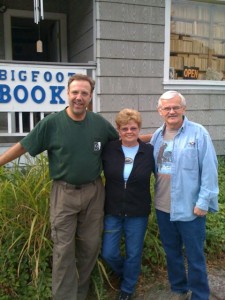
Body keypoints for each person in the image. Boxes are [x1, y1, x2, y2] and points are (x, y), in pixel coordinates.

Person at [0, 74, 120, 300]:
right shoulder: (52, 123)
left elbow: (124, 142)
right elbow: (23, 146)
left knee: (90, 247)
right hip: (64, 194)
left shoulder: (99, 124)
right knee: (64, 251)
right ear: (67, 93)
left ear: (90, 96)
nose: (79, 97)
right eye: (75, 92)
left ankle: (81, 293)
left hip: (94, 193)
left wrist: (156, 138)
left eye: (84, 93)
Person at [150, 91, 219, 300]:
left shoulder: (198, 133)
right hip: (163, 207)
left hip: (191, 208)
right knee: (172, 253)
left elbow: (209, 170)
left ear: (183, 109)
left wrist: (203, 202)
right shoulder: (156, 136)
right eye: (167, 108)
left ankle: (199, 295)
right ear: (160, 111)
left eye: (175, 107)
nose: (171, 111)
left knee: (195, 256)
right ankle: (179, 288)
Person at [101, 108, 155, 300]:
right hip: (112, 210)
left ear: (139, 128)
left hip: (137, 212)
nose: (129, 132)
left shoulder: (149, 151)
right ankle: (127, 273)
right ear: (118, 129)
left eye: (133, 128)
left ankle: (128, 287)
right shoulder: (109, 149)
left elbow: (162, 176)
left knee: (134, 253)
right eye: (125, 128)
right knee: (108, 253)